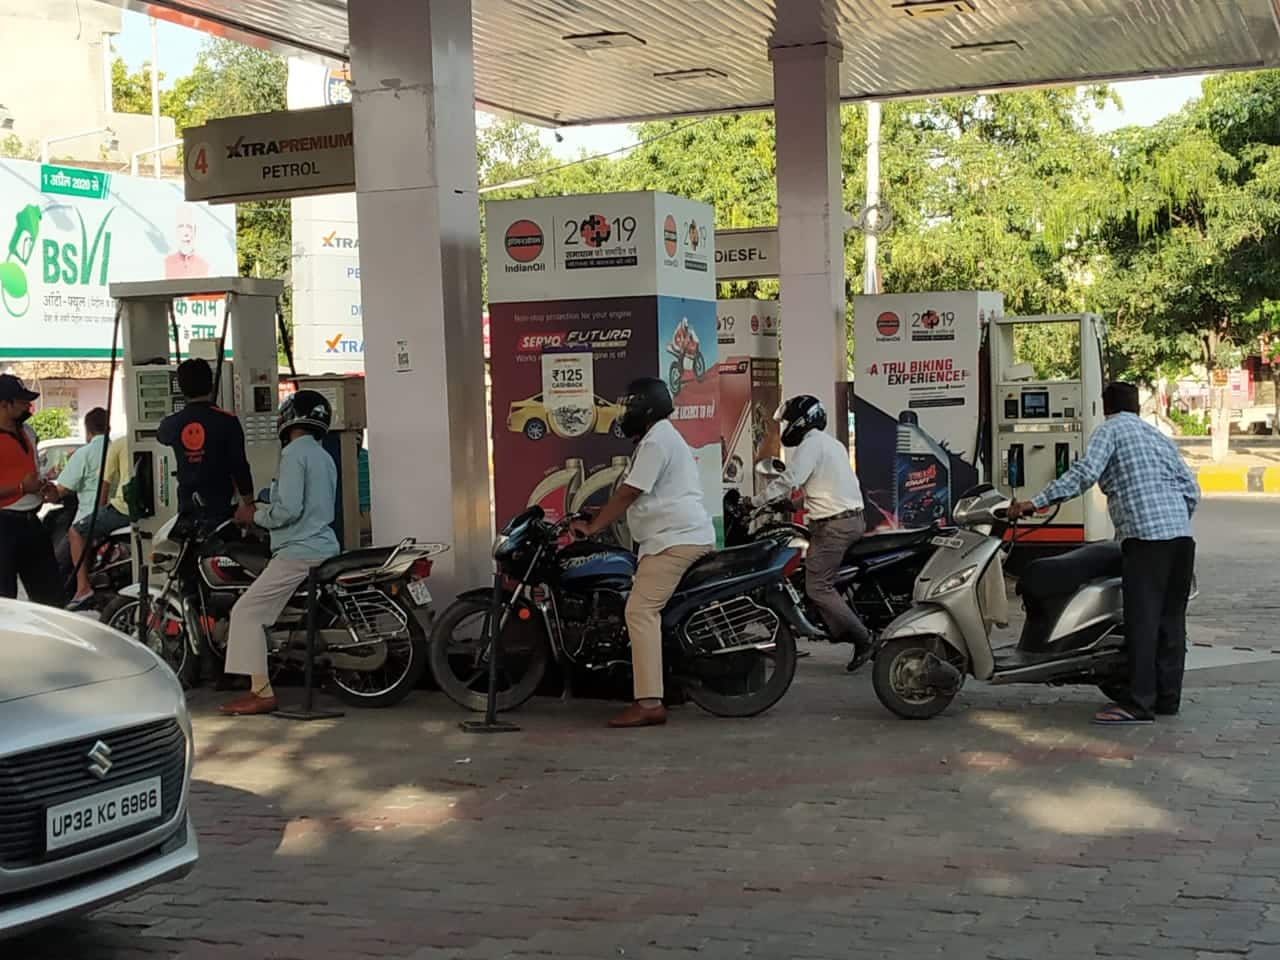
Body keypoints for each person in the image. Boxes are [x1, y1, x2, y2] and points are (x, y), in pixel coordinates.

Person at [1007, 382, 1199, 725]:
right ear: (1137, 406)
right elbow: (1191, 488)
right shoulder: (1156, 436)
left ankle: (1139, 704)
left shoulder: (1109, 430)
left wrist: (1033, 503)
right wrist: (1174, 522)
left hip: (1146, 540)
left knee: (1142, 620)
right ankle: (1168, 699)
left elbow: (1084, 474)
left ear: (1105, 405)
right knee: (1171, 621)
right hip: (1181, 540)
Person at [570, 378, 715, 728]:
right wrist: (596, 514)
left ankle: (649, 702)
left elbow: (630, 493)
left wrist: (593, 527)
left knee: (639, 610)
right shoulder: (658, 437)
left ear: (645, 410)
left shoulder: (657, 441)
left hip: (674, 541)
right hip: (671, 537)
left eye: (629, 408)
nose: (624, 414)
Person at [220, 391, 340, 716]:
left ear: (287, 419)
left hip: (299, 552)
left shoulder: (293, 455)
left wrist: (253, 516)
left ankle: (260, 692)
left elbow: (288, 509)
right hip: (323, 545)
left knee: (246, 612)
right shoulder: (323, 455)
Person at [769, 395, 874, 671]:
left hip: (833, 528)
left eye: (789, 421)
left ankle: (863, 639)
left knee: (817, 586)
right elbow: (827, 486)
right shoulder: (832, 445)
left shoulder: (810, 445)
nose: (787, 427)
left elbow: (790, 479)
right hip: (850, 521)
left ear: (802, 421)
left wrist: (756, 501)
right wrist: (792, 505)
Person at [157, 358, 254, 527]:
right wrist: (249, 503)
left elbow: (161, 437)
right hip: (222, 506)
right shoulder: (227, 421)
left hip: (187, 507)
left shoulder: (170, 424)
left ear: (180, 388)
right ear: (211, 384)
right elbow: (239, 465)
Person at [50, 408, 127, 609]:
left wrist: (43, 490)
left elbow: (62, 489)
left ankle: (80, 590)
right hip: (117, 516)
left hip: (91, 518)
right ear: (108, 426)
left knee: (57, 564)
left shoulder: (84, 453)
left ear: (88, 431)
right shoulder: (117, 447)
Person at [0, 374, 62, 605]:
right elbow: (21, 482)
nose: (28, 406)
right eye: (22, 401)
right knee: (5, 602)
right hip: (3, 524)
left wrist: (44, 488)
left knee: (51, 598)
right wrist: (20, 487)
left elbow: (33, 471)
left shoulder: (28, 432)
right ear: (5, 404)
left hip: (31, 522)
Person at [164, 206, 210, 279]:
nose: (185, 232)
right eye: (181, 226)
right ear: (176, 230)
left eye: (189, 227)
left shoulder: (203, 265)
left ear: (195, 231)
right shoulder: (167, 263)